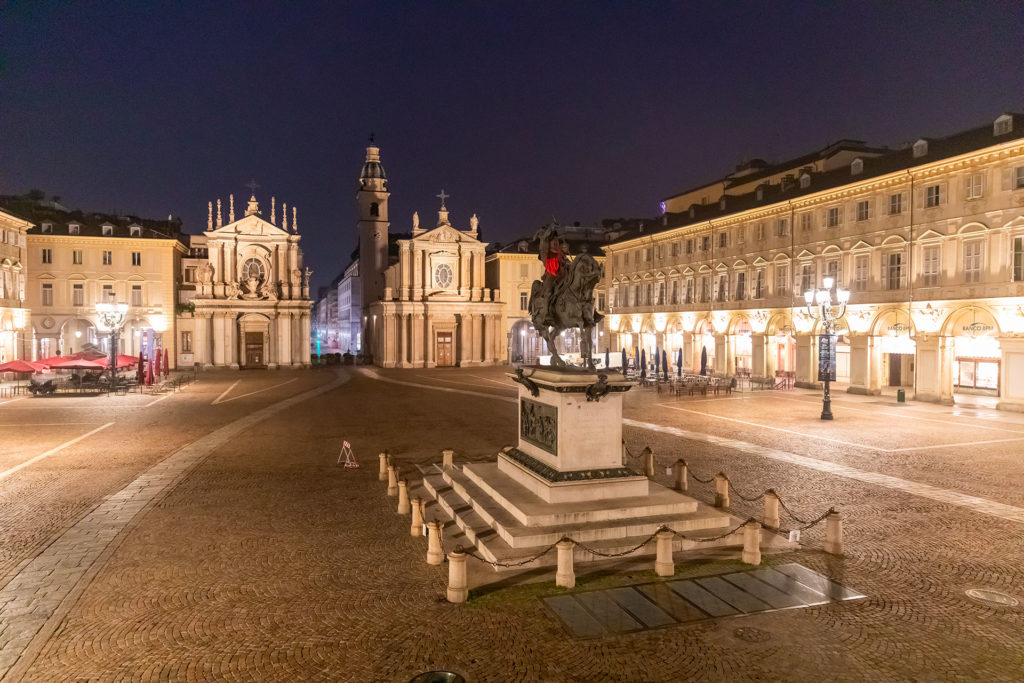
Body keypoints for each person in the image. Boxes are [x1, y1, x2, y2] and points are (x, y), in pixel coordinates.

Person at [535, 223, 569, 308]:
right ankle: (546, 312)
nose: (556, 244)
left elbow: (565, 261)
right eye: (554, 243)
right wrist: (551, 228)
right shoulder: (547, 252)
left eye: (557, 242)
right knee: (549, 292)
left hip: (563, 273)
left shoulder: (561, 252)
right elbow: (545, 242)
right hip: (552, 273)